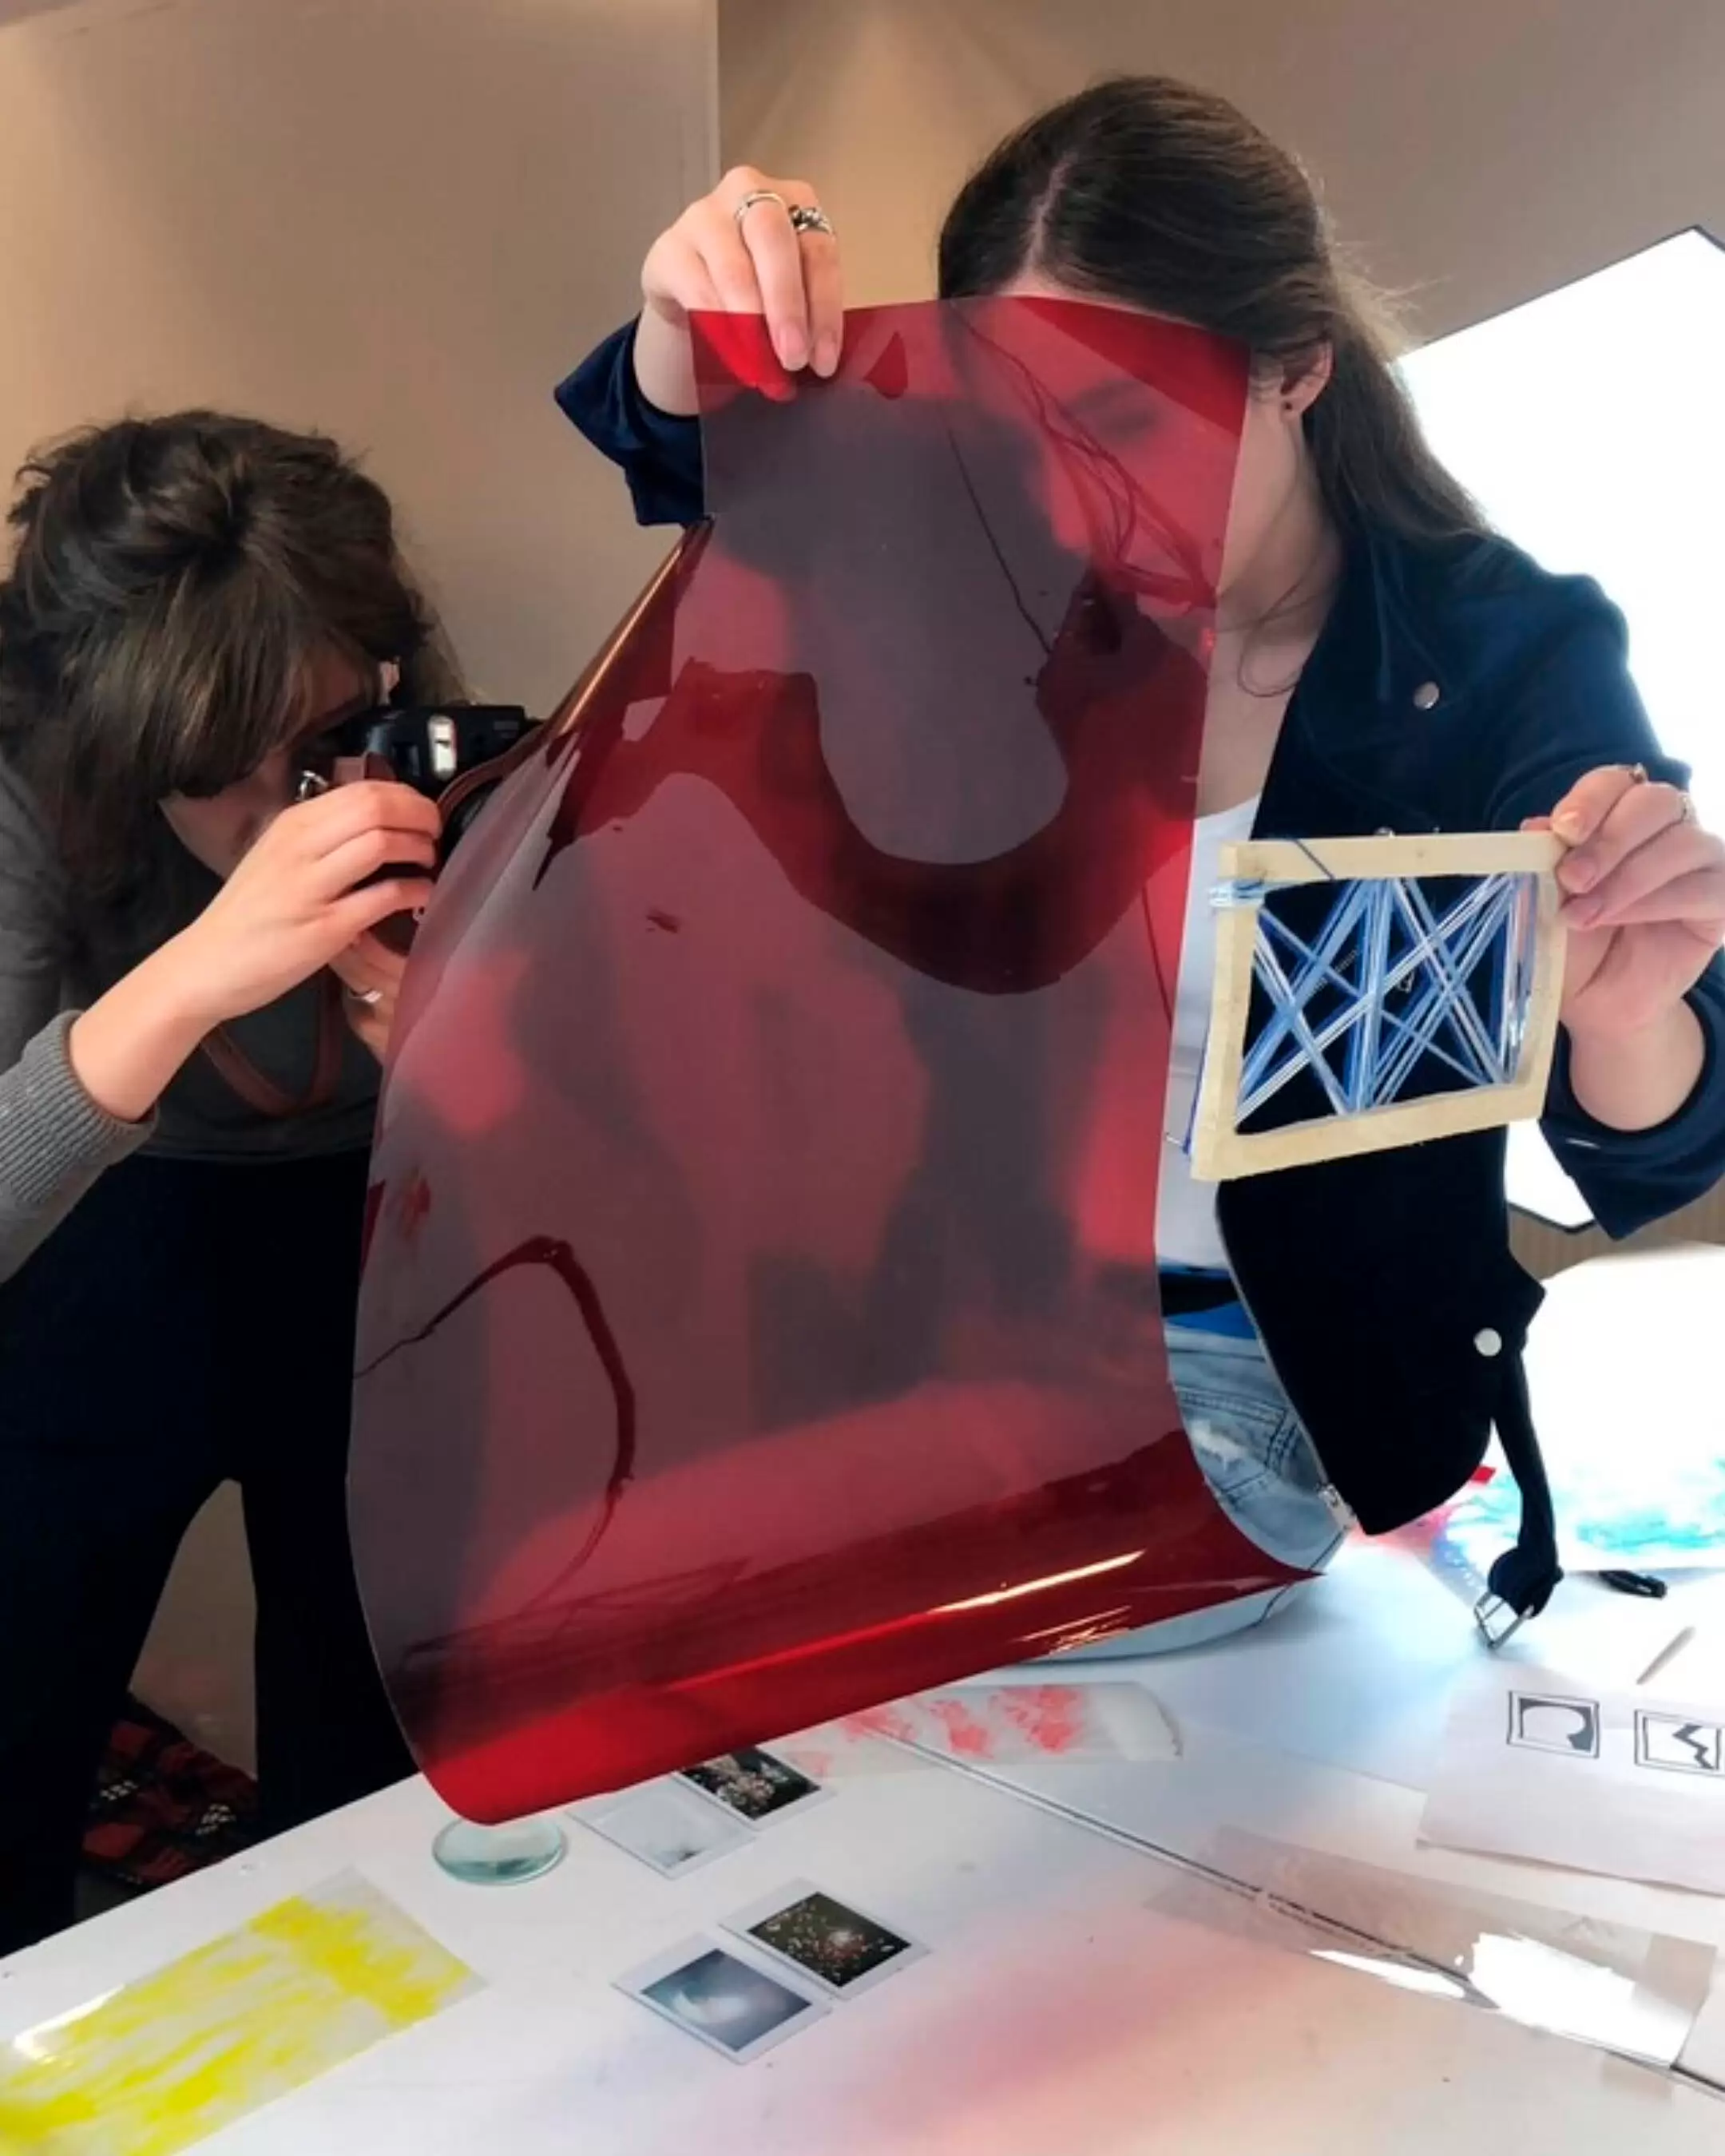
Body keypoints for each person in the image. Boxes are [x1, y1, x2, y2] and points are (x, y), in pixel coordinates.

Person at [553, 75, 1725, 1648]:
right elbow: (694, 454)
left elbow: (1649, 1148)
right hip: (943, 1329)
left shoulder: (1499, 655)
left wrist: (1627, 1007)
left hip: (1271, 1375)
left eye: (1122, 423)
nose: (1076, 499)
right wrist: (676, 321)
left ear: (1298, 369)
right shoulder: (1000, 571)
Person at [0, 411, 448, 1952]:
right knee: (27, 1667)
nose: (280, 808)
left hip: (363, 1221)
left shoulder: (416, 743)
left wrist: (436, 1036)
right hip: (100, 1232)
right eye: (214, 759)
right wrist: (190, 980)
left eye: (318, 735)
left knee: (373, 1702)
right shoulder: (28, 780)